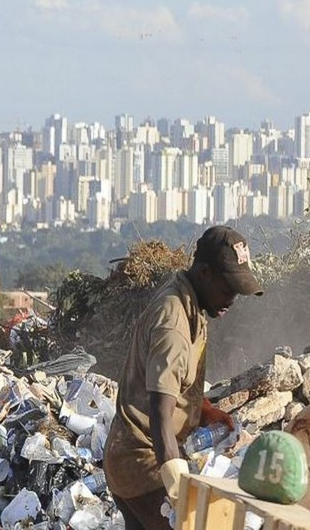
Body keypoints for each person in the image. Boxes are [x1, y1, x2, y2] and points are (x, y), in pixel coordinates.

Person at [103, 226, 264, 529]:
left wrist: (204, 410)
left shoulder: (192, 304)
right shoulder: (174, 324)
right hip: (144, 466)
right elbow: (160, 415)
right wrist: (179, 490)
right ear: (204, 272)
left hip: (129, 459)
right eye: (228, 288)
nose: (232, 299)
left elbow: (174, 385)